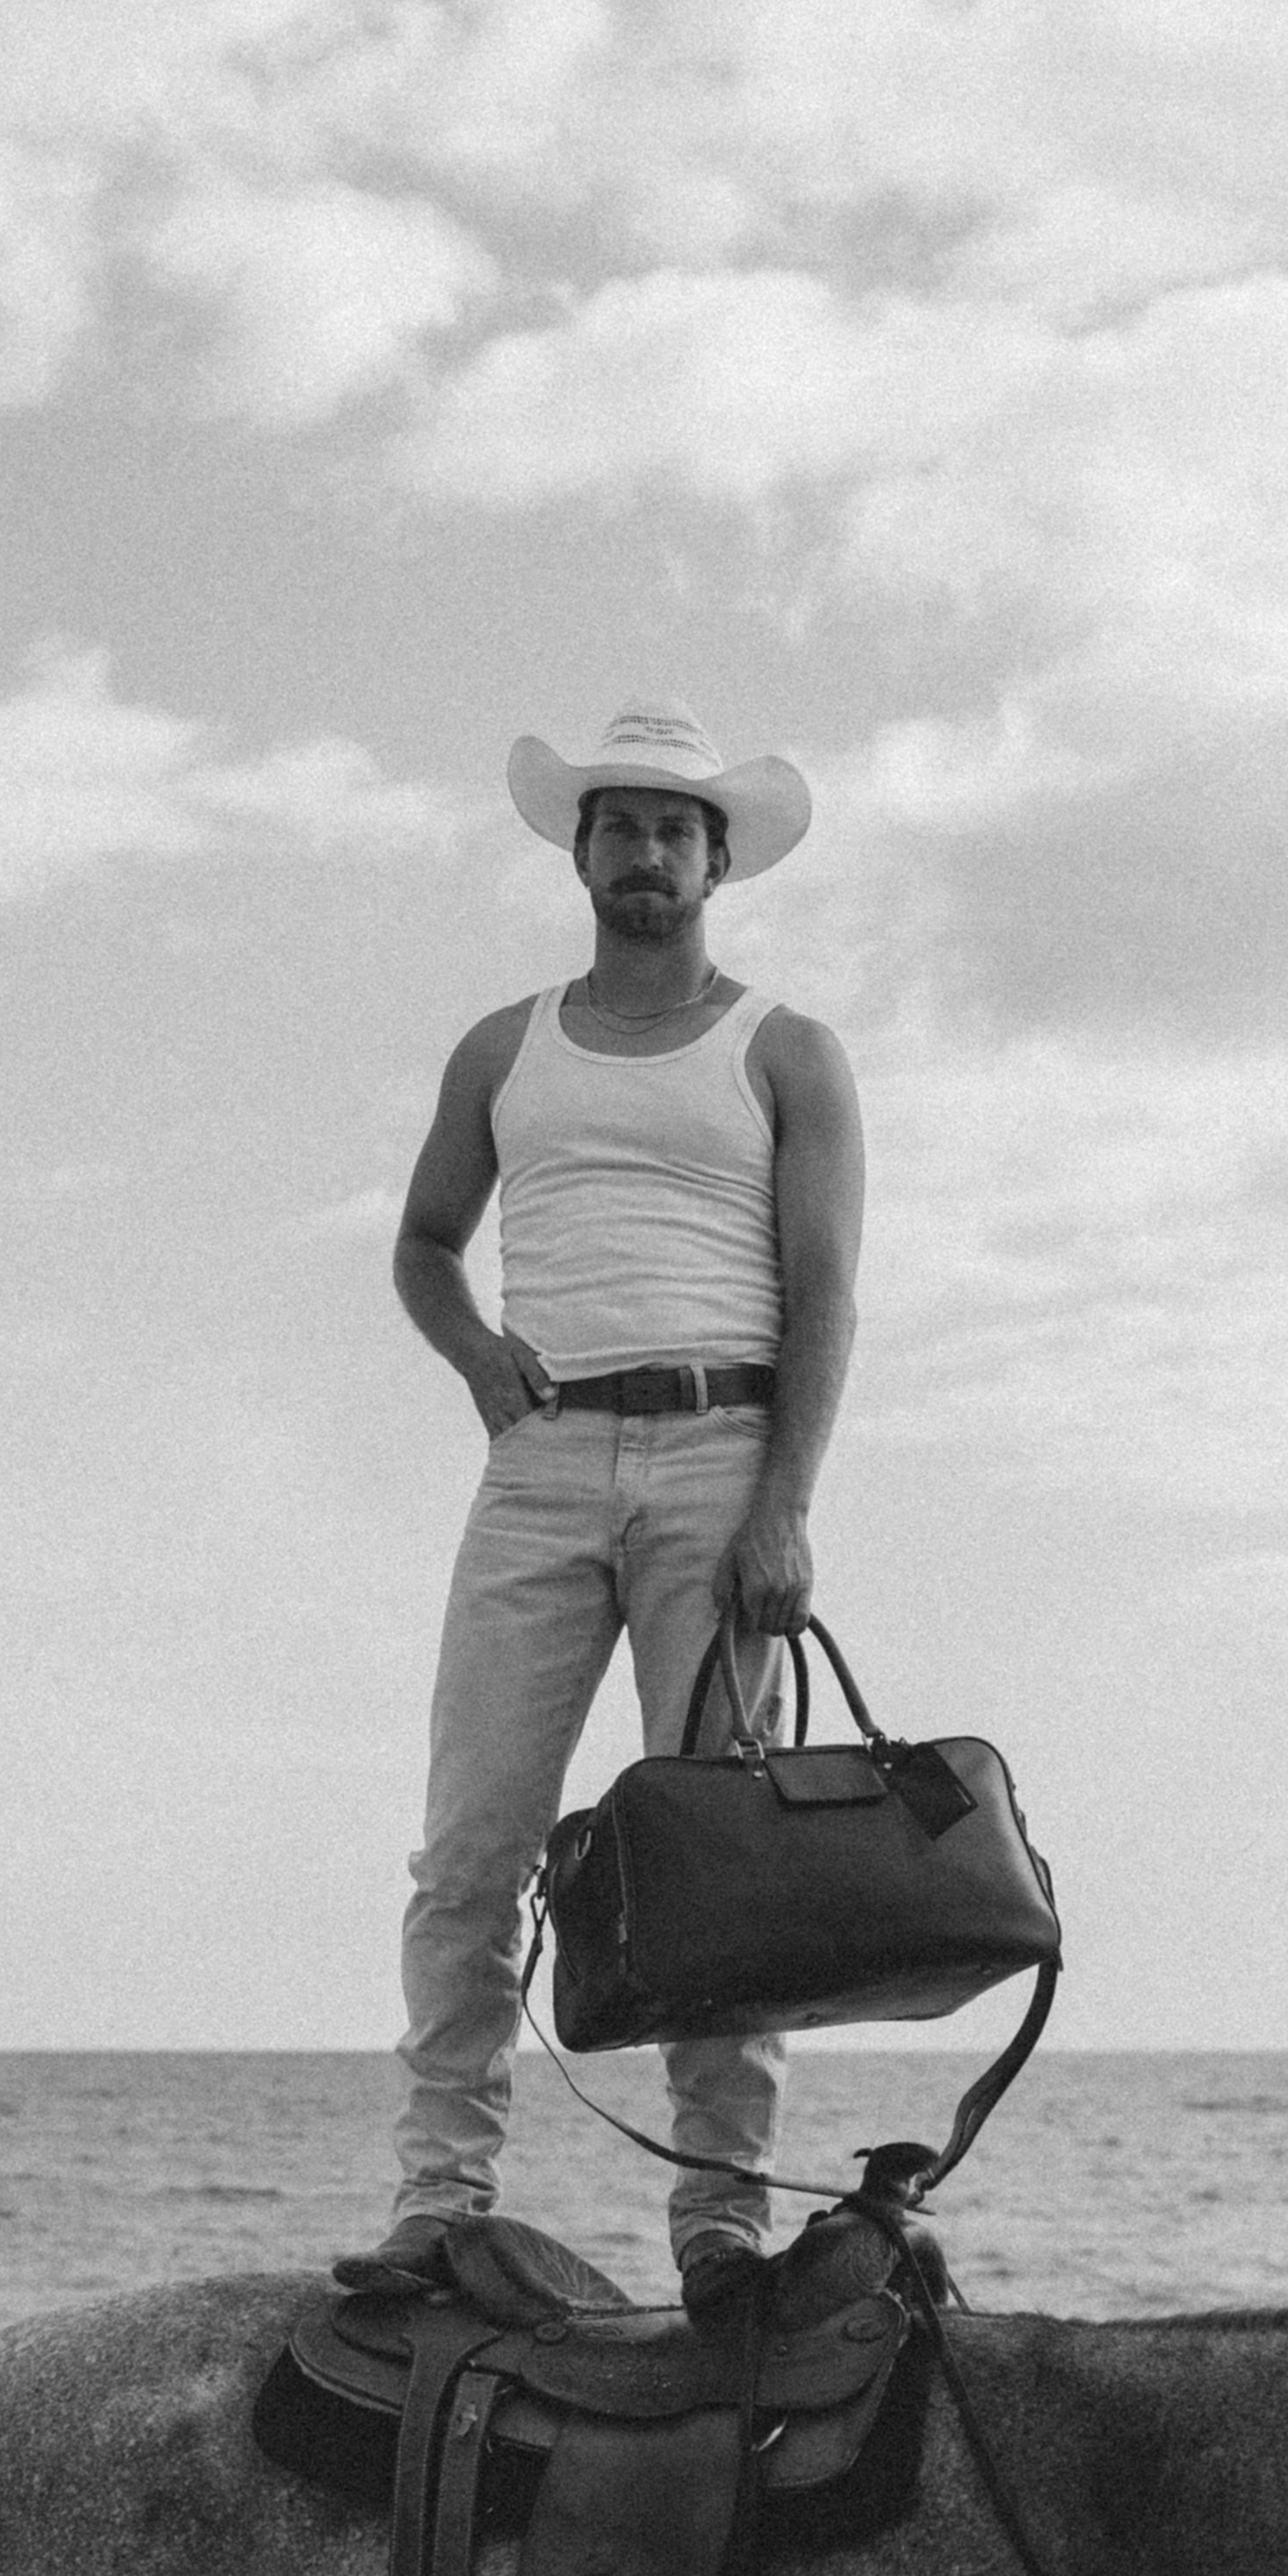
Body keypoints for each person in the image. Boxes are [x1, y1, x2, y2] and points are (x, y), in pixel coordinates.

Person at [365, 700, 866, 2306]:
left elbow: (827, 1288)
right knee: (469, 1850)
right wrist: (476, 1362)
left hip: (723, 1458)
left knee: (721, 1856)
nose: (645, 851)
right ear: (578, 849)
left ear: (717, 858)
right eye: (620, 823)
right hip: (542, 1465)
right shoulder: (502, 1050)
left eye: (675, 827)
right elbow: (424, 1244)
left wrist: (785, 1507)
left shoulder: (786, 1049)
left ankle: (721, 2225)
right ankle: (440, 2205)